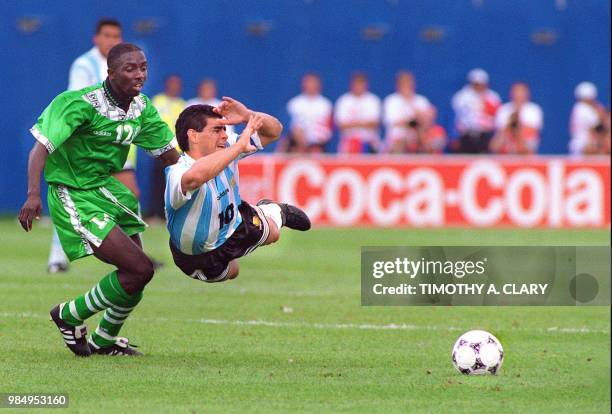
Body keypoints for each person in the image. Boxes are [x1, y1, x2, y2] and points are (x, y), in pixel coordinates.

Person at [18, 43, 180, 357]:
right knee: (139, 268)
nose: (139, 75)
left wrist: (201, 182)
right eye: (130, 68)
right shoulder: (79, 103)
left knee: (137, 276)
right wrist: (33, 194)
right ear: (110, 72)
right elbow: (40, 148)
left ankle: (105, 339)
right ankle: (68, 315)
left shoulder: (141, 107)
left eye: (143, 67)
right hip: (72, 192)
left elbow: (170, 157)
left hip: (109, 191)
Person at [165, 99, 310, 283]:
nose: (225, 136)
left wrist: (247, 115)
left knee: (273, 233)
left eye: (225, 129)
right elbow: (194, 177)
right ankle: (261, 215)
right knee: (232, 271)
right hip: (191, 256)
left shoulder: (228, 146)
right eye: (217, 130)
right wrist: (238, 147)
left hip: (235, 226)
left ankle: (275, 211)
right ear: (193, 136)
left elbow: (274, 131)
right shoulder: (177, 171)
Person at [48, 18, 124, 274]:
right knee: (71, 198)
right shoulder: (85, 64)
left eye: (116, 36)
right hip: (84, 144)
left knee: (127, 193)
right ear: (96, 38)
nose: (112, 40)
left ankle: (132, 255)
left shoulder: (121, 65)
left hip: (112, 141)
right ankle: (57, 257)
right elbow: (77, 101)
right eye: (107, 35)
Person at [148, 75, 186, 221]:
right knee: (157, 182)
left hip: (176, 151)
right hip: (159, 148)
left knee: (174, 184)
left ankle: (170, 215)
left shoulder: (182, 104)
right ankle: (155, 214)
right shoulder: (158, 100)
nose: (174, 87)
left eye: (177, 85)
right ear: (166, 85)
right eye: (172, 84)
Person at [451, 68, 501, 153]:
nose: (478, 86)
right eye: (476, 84)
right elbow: (456, 118)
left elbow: (495, 118)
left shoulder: (492, 97)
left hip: (485, 135)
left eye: (481, 84)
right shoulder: (462, 97)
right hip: (466, 135)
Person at [382, 71, 433, 153]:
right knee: (401, 140)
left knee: (434, 138)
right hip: (398, 137)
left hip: (418, 137)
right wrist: (413, 122)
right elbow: (394, 122)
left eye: (409, 83)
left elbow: (427, 121)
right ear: (398, 85)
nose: (407, 86)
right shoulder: (391, 101)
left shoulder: (421, 100)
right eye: (404, 83)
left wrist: (410, 102)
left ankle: (429, 163)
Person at [283, 73, 333, 153]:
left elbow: (327, 129)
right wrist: (300, 139)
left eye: (313, 83)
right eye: (308, 83)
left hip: (317, 143)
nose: (310, 86)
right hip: (297, 141)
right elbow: (289, 126)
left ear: (318, 85)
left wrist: (314, 140)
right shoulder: (294, 103)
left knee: (316, 152)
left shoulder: (325, 105)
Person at [334, 72, 382, 154]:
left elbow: (375, 123)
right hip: (349, 141)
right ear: (351, 85)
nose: (359, 86)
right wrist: (363, 123)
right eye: (356, 84)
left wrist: (353, 123)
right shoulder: (344, 101)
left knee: (373, 145)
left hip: (368, 141)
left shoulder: (373, 100)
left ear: (366, 85)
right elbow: (341, 125)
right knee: (350, 145)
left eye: (361, 84)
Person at [490, 82, 543, 154]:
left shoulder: (533, 109)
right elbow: (500, 133)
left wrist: (518, 125)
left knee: (527, 143)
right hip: (506, 144)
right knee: (496, 143)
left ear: (527, 93)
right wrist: (511, 122)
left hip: (525, 146)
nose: (518, 94)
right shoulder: (504, 109)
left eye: (521, 91)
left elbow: (532, 132)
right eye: (516, 91)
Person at [569, 82, 610, 155]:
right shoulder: (585, 109)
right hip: (585, 144)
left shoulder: (577, 107)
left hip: (577, 142)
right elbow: (597, 127)